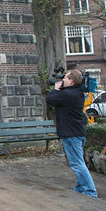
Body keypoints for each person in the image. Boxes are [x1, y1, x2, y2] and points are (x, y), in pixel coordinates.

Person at [46, 69, 97, 198]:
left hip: (71, 134)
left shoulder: (67, 95)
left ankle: (90, 192)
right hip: (77, 132)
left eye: (66, 79)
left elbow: (51, 100)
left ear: (72, 81)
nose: (63, 81)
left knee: (77, 164)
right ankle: (79, 188)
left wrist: (56, 89)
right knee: (78, 162)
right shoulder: (77, 93)